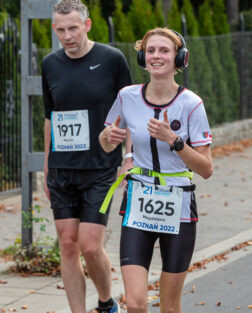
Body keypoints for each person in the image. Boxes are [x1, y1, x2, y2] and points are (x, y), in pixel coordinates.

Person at [99, 27, 213, 313]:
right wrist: (108, 138)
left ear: (180, 59)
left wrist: (174, 141)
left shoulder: (191, 104)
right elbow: (105, 142)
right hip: (139, 201)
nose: (156, 56)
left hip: (179, 203)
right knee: (136, 305)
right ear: (142, 57)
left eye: (164, 50)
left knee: (169, 305)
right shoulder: (127, 96)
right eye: (150, 50)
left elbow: (206, 168)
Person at [41, 0, 132, 312]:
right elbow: (49, 118)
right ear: (55, 28)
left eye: (73, 28)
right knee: (67, 245)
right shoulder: (50, 64)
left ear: (87, 25)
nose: (67, 36)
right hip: (62, 169)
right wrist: (46, 166)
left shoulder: (112, 59)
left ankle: (106, 303)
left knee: (90, 246)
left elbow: (129, 111)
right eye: (61, 29)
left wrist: (129, 156)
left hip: (101, 167)